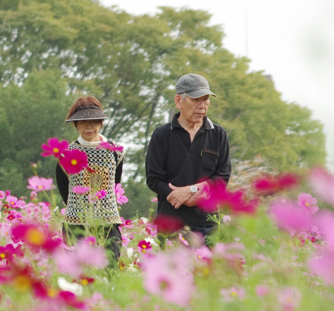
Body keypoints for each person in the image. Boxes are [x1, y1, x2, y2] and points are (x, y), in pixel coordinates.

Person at [144, 73, 231, 239]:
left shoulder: (218, 134)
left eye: (205, 99)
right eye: (196, 99)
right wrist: (179, 196)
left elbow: (222, 178)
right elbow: (154, 179)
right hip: (170, 224)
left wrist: (191, 192)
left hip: (209, 224)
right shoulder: (161, 135)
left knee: (208, 266)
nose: (202, 105)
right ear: (179, 101)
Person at [55, 96, 124, 264]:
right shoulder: (66, 154)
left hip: (108, 224)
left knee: (110, 271)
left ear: (101, 123)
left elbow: (114, 184)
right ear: (76, 125)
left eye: (93, 121)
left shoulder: (115, 152)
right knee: (79, 273)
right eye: (83, 121)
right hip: (76, 223)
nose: (89, 126)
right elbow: (65, 190)